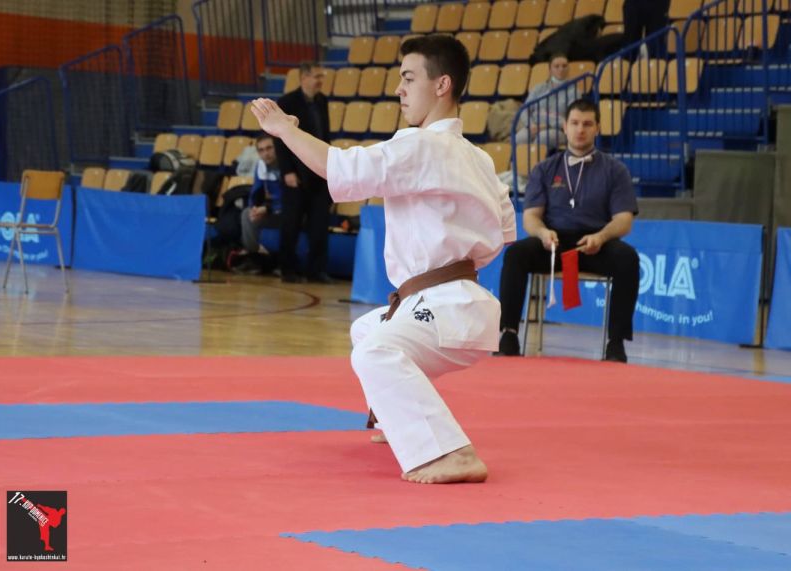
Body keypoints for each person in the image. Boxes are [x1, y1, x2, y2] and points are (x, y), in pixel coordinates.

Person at [250, 34, 516, 484]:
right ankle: (401, 421)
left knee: (376, 352)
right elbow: (504, 236)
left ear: (442, 85)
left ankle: (450, 453)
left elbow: (339, 167)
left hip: (446, 303)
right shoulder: (479, 159)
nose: (399, 89)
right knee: (367, 330)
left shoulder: (422, 146)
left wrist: (285, 131)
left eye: (409, 79)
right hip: (462, 302)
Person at [497, 99, 639, 363]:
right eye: (574, 123)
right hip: (554, 242)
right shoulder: (544, 169)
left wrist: (601, 237)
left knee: (627, 259)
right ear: (564, 126)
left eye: (587, 124)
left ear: (597, 128)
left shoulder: (615, 170)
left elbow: (624, 220)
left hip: (595, 244)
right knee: (516, 254)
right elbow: (530, 217)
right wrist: (543, 233)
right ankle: (508, 334)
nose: (580, 129)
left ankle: (616, 343)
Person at [274, 62, 333, 284]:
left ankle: (316, 270)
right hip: (296, 173)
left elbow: (324, 135)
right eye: (317, 76)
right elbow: (279, 139)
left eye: (321, 76)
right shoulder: (286, 102)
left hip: (319, 171)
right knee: (291, 224)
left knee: (319, 224)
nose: (320, 81)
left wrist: (329, 165)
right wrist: (287, 171)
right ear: (303, 78)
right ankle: (287, 269)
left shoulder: (322, 101)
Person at [515, 53, 577, 150]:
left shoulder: (574, 92)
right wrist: (531, 124)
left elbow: (571, 119)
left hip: (558, 130)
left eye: (564, 66)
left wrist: (546, 125)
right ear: (550, 70)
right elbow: (524, 109)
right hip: (534, 126)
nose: (561, 69)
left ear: (568, 68)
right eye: (557, 66)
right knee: (520, 138)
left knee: (543, 137)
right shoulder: (539, 88)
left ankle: (537, 160)